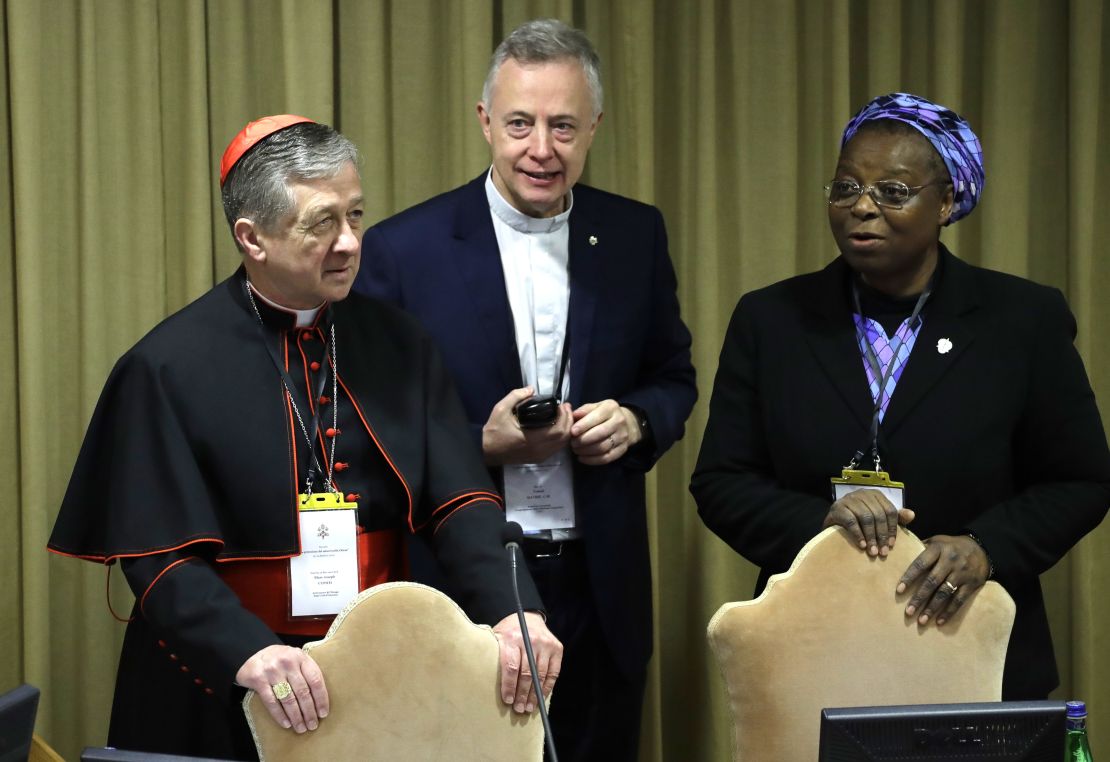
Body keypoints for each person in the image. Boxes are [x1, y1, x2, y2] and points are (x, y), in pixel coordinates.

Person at [48, 115, 562, 760]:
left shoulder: (398, 342)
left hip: (382, 668)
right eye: (321, 223)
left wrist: (515, 610)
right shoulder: (166, 365)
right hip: (224, 681)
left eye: (355, 215)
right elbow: (160, 557)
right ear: (252, 237)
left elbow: (460, 501)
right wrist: (248, 652)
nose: (349, 242)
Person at [690, 92, 1110, 700]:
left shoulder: (1022, 320)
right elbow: (722, 480)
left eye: (892, 192)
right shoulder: (770, 319)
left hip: (972, 645)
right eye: (845, 189)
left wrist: (986, 548)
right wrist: (818, 525)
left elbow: (1081, 480)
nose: (862, 207)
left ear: (944, 203)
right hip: (814, 650)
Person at [353, 19, 696, 760]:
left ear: (595, 126)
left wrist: (636, 421)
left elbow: (674, 377)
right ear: (485, 121)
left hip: (599, 582)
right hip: (467, 586)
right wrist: (480, 446)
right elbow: (361, 436)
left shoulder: (635, 235)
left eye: (564, 126)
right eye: (520, 123)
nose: (542, 149)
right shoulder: (401, 251)